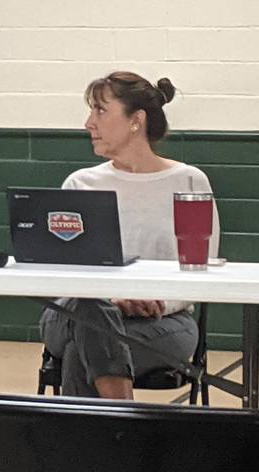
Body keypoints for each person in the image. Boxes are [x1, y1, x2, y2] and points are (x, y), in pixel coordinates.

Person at [40, 71, 220, 399]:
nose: (88, 123)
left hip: (161, 320)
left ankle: (93, 448)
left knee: (81, 356)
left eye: (100, 111)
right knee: (91, 312)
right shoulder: (80, 183)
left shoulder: (189, 183)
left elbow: (200, 268)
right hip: (75, 312)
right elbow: (60, 273)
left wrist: (158, 302)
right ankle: (127, 431)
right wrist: (111, 300)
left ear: (136, 120)